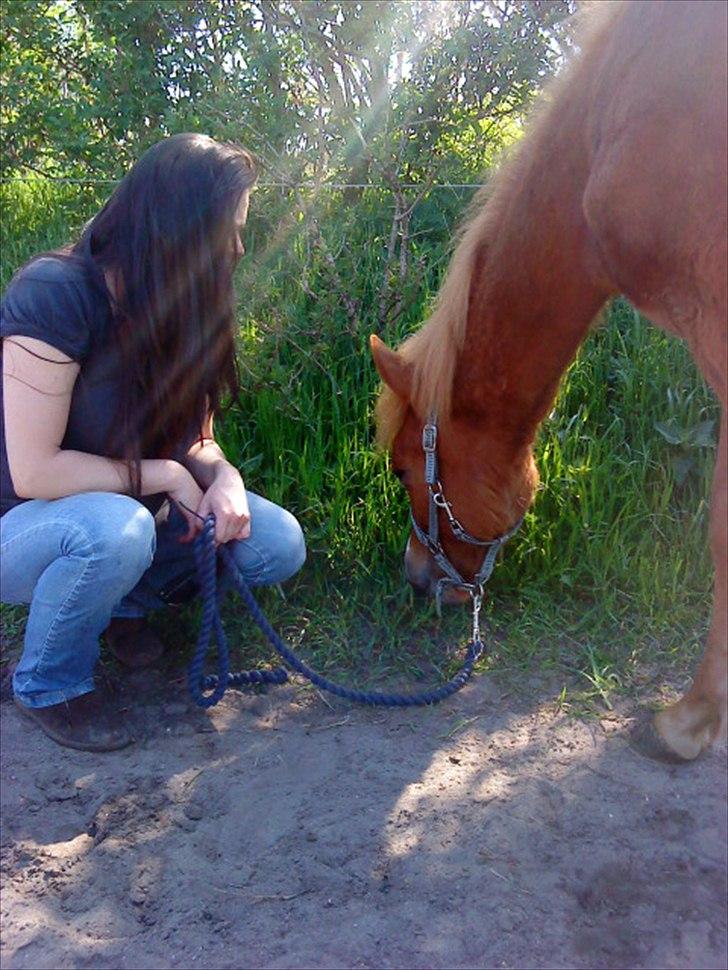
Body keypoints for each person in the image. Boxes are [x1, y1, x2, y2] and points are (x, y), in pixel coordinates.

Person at [0, 133, 306, 752]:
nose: (238, 248)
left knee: (275, 543)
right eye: (229, 231)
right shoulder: (55, 294)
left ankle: (121, 607)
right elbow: (34, 472)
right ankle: (49, 683)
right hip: (23, 524)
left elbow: (199, 439)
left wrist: (225, 480)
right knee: (115, 531)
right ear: (178, 230)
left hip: (127, 511)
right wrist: (166, 477)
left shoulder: (185, 306)